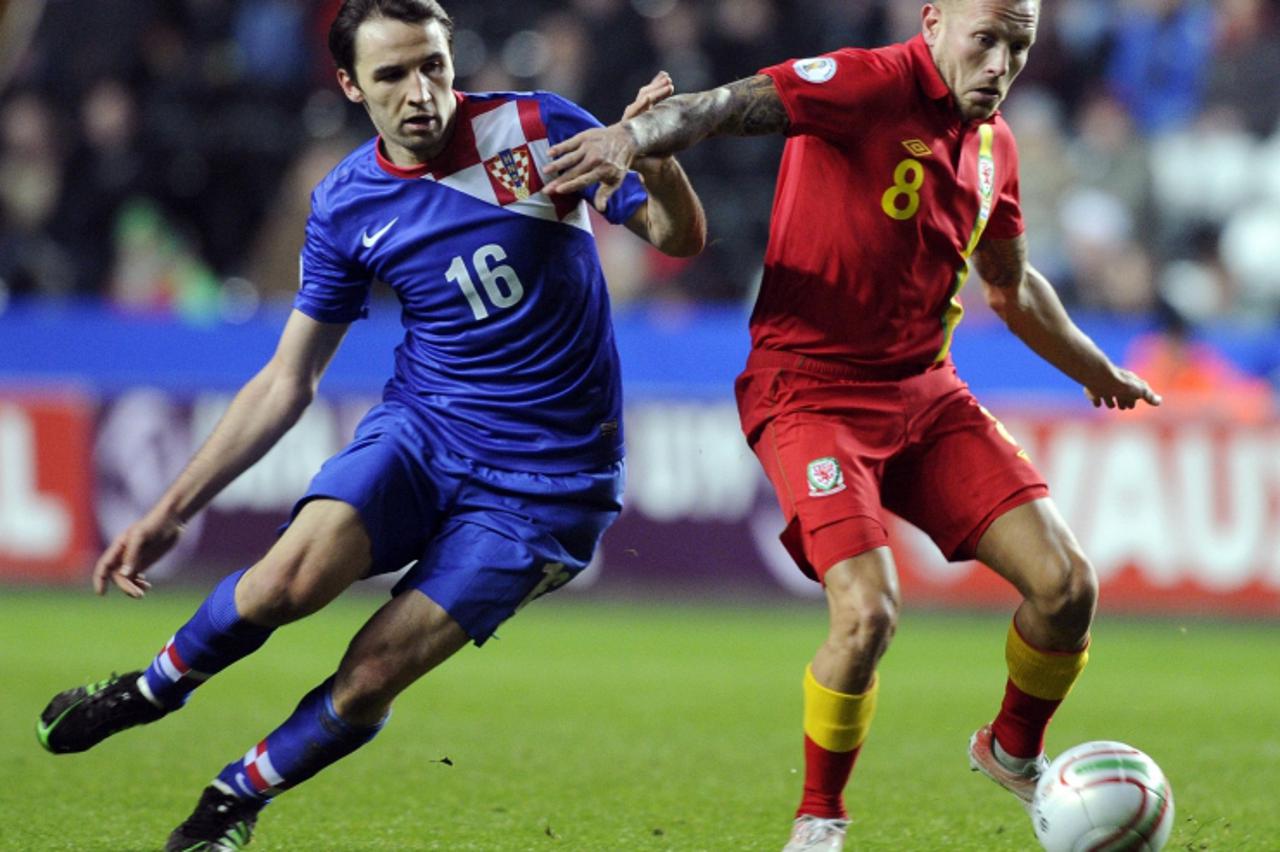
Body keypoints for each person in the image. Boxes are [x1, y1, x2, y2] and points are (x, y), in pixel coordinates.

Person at [35, 1, 705, 849]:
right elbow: (288, 378)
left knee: (373, 672)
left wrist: (663, 159)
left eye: (433, 64)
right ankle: (152, 689)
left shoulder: (536, 129)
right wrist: (171, 508)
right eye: (392, 74)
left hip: (552, 486)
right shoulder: (348, 204)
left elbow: (675, 238)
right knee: (287, 581)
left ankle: (230, 802)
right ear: (351, 85)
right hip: (425, 435)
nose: (420, 92)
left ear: (453, 58)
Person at [545, 1, 1160, 850]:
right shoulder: (869, 83)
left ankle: (1012, 752)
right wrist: (635, 140)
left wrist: (1096, 369)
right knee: (867, 614)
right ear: (935, 21)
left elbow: (1010, 287)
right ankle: (819, 822)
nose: (1001, 65)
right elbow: (725, 104)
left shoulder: (994, 150)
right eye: (986, 40)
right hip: (810, 394)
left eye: (1019, 47)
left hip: (925, 394)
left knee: (1067, 589)